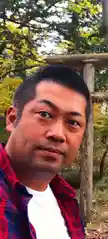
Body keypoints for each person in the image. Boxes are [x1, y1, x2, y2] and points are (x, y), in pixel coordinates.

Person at [0, 65, 90, 239]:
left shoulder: (66, 200)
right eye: (45, 114)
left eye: (73, 123)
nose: (57, 134)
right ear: (12, 119)